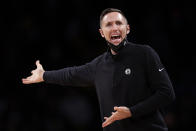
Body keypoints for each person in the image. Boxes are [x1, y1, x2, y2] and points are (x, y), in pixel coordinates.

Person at [22, 8, 175, 131]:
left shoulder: (145, 54)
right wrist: (44, 75)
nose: (114, 27)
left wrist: (131, 112)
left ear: (127, 29)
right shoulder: (98, 65)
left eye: (118, 23)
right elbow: (71, 74)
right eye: (109, 24)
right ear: (102, 33)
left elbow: (167, 93)